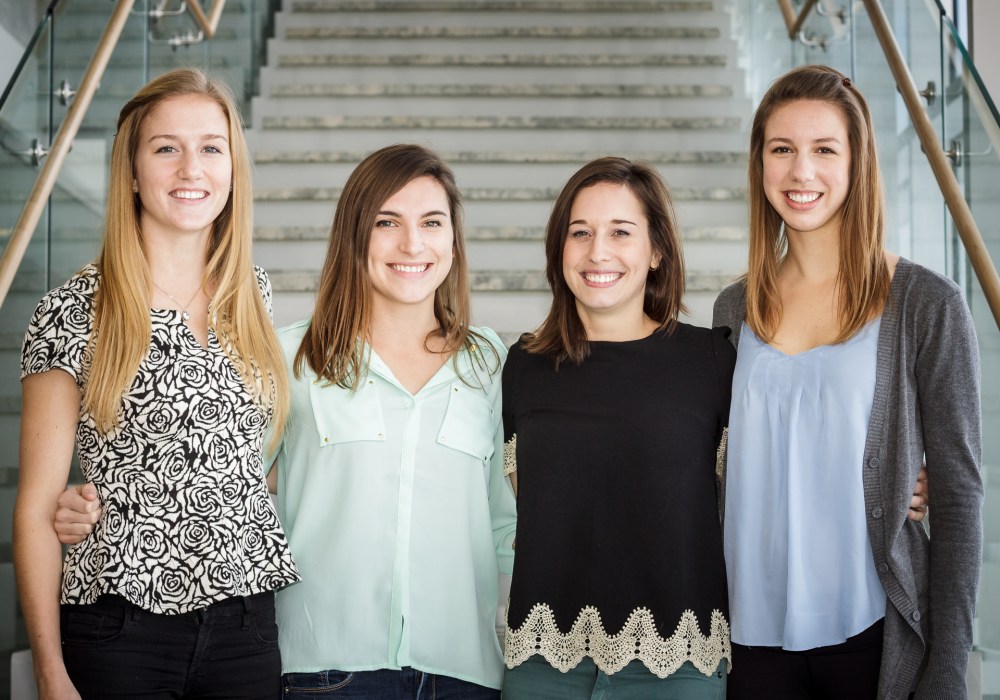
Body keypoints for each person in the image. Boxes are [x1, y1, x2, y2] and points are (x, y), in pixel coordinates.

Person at [13, 67, 299, 700]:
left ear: (233, 169)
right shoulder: (72, 310)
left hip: (246, 627)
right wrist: (49, 672)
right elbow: (36, 507)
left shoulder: (252, 295)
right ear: (133, 171)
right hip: (120, 631)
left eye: (210, 148)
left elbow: (236, 458)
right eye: (167, 148)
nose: (190, 169)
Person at [713, 64, 983, 699]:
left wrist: (947, 670)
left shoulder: (925, 303)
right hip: (749, 639)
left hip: (871, 634)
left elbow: (961, 495)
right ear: (760, 165)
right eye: (782, 150)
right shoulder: (733, 309)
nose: (801, 172)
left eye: (824, 150)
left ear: (858, 163)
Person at [501, 157, 733, 698]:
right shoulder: (523, 366)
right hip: (542, 669)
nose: (597, 251)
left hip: (679, 666)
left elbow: (775, 475)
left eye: (620, 232)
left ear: (656, 251)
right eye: (579, 233)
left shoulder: (713, 362)